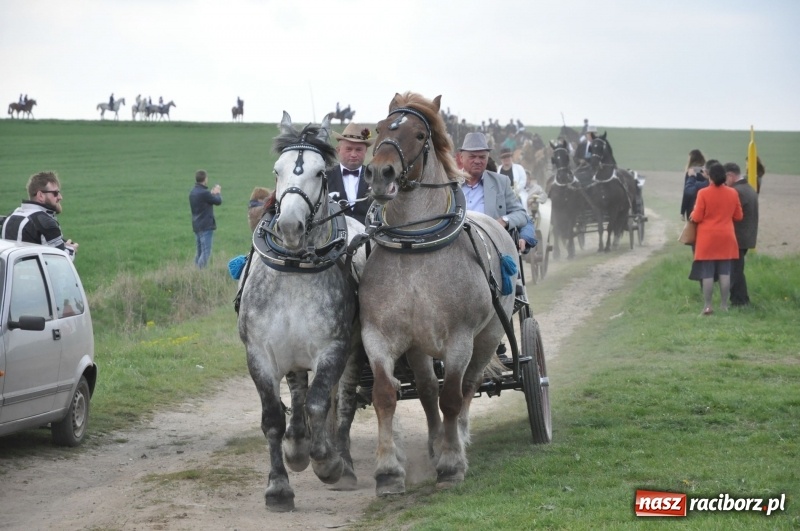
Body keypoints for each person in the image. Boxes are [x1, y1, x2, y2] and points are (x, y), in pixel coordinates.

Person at [689, 162, 742, 315]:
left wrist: (693, 214)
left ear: (710, 177)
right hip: (726, 237)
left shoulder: (703, 193)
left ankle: (707, 306)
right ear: (724, 177)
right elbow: (738, 216)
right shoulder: (733, 193)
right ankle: (724, 306)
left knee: (707, 274)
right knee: (725, 273)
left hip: (707, 238)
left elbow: (697, 216)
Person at [458, 132, 528, 231]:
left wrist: (503, 221)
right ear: (461, 157)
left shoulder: (501, 183)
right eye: (472, 157)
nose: (477, 161)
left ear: (487, 158)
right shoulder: (448, 183)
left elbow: (521, 214)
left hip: (488, 241)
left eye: (482, 157)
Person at [1, 171, 78, 260]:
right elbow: (61, 260)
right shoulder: (45, 222)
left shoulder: (12, 215)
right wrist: (71, 249)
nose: (60, 197)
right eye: (55, 193)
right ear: (40, 195)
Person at [724, 162, 758, 307]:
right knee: (736, 269)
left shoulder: (737, 191)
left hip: (738, 237)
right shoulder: (748, 188)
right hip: (746, 235)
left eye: (725, 178)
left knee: (735, 271)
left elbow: (730, 214)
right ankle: (741, 299)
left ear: (730, 175)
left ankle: (739, 301)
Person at [329, 122, 373, 225]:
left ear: (365, 151)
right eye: (348, 149)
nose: (353, 154)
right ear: (338, 150)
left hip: (369, 238)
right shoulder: (324, 177)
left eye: (358, 150)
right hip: (334, 238)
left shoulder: (375, 177)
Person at [189, 170, 222, 269]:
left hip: (196, 225)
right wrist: (217, 193)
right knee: (206, 252)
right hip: (206, 226)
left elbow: (205, 200)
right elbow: (218, 201)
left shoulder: (193, 192)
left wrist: (211, 194)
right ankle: (200, 273)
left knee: (199, 252)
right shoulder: (204, 193)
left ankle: (194, 272)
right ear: (205, 179)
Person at [681, 149, 706, 220]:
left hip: (691, 205)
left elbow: (686, 192)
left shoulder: (691, 171)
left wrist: (682, 211)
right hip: (704, 204)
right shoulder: (706, 171)